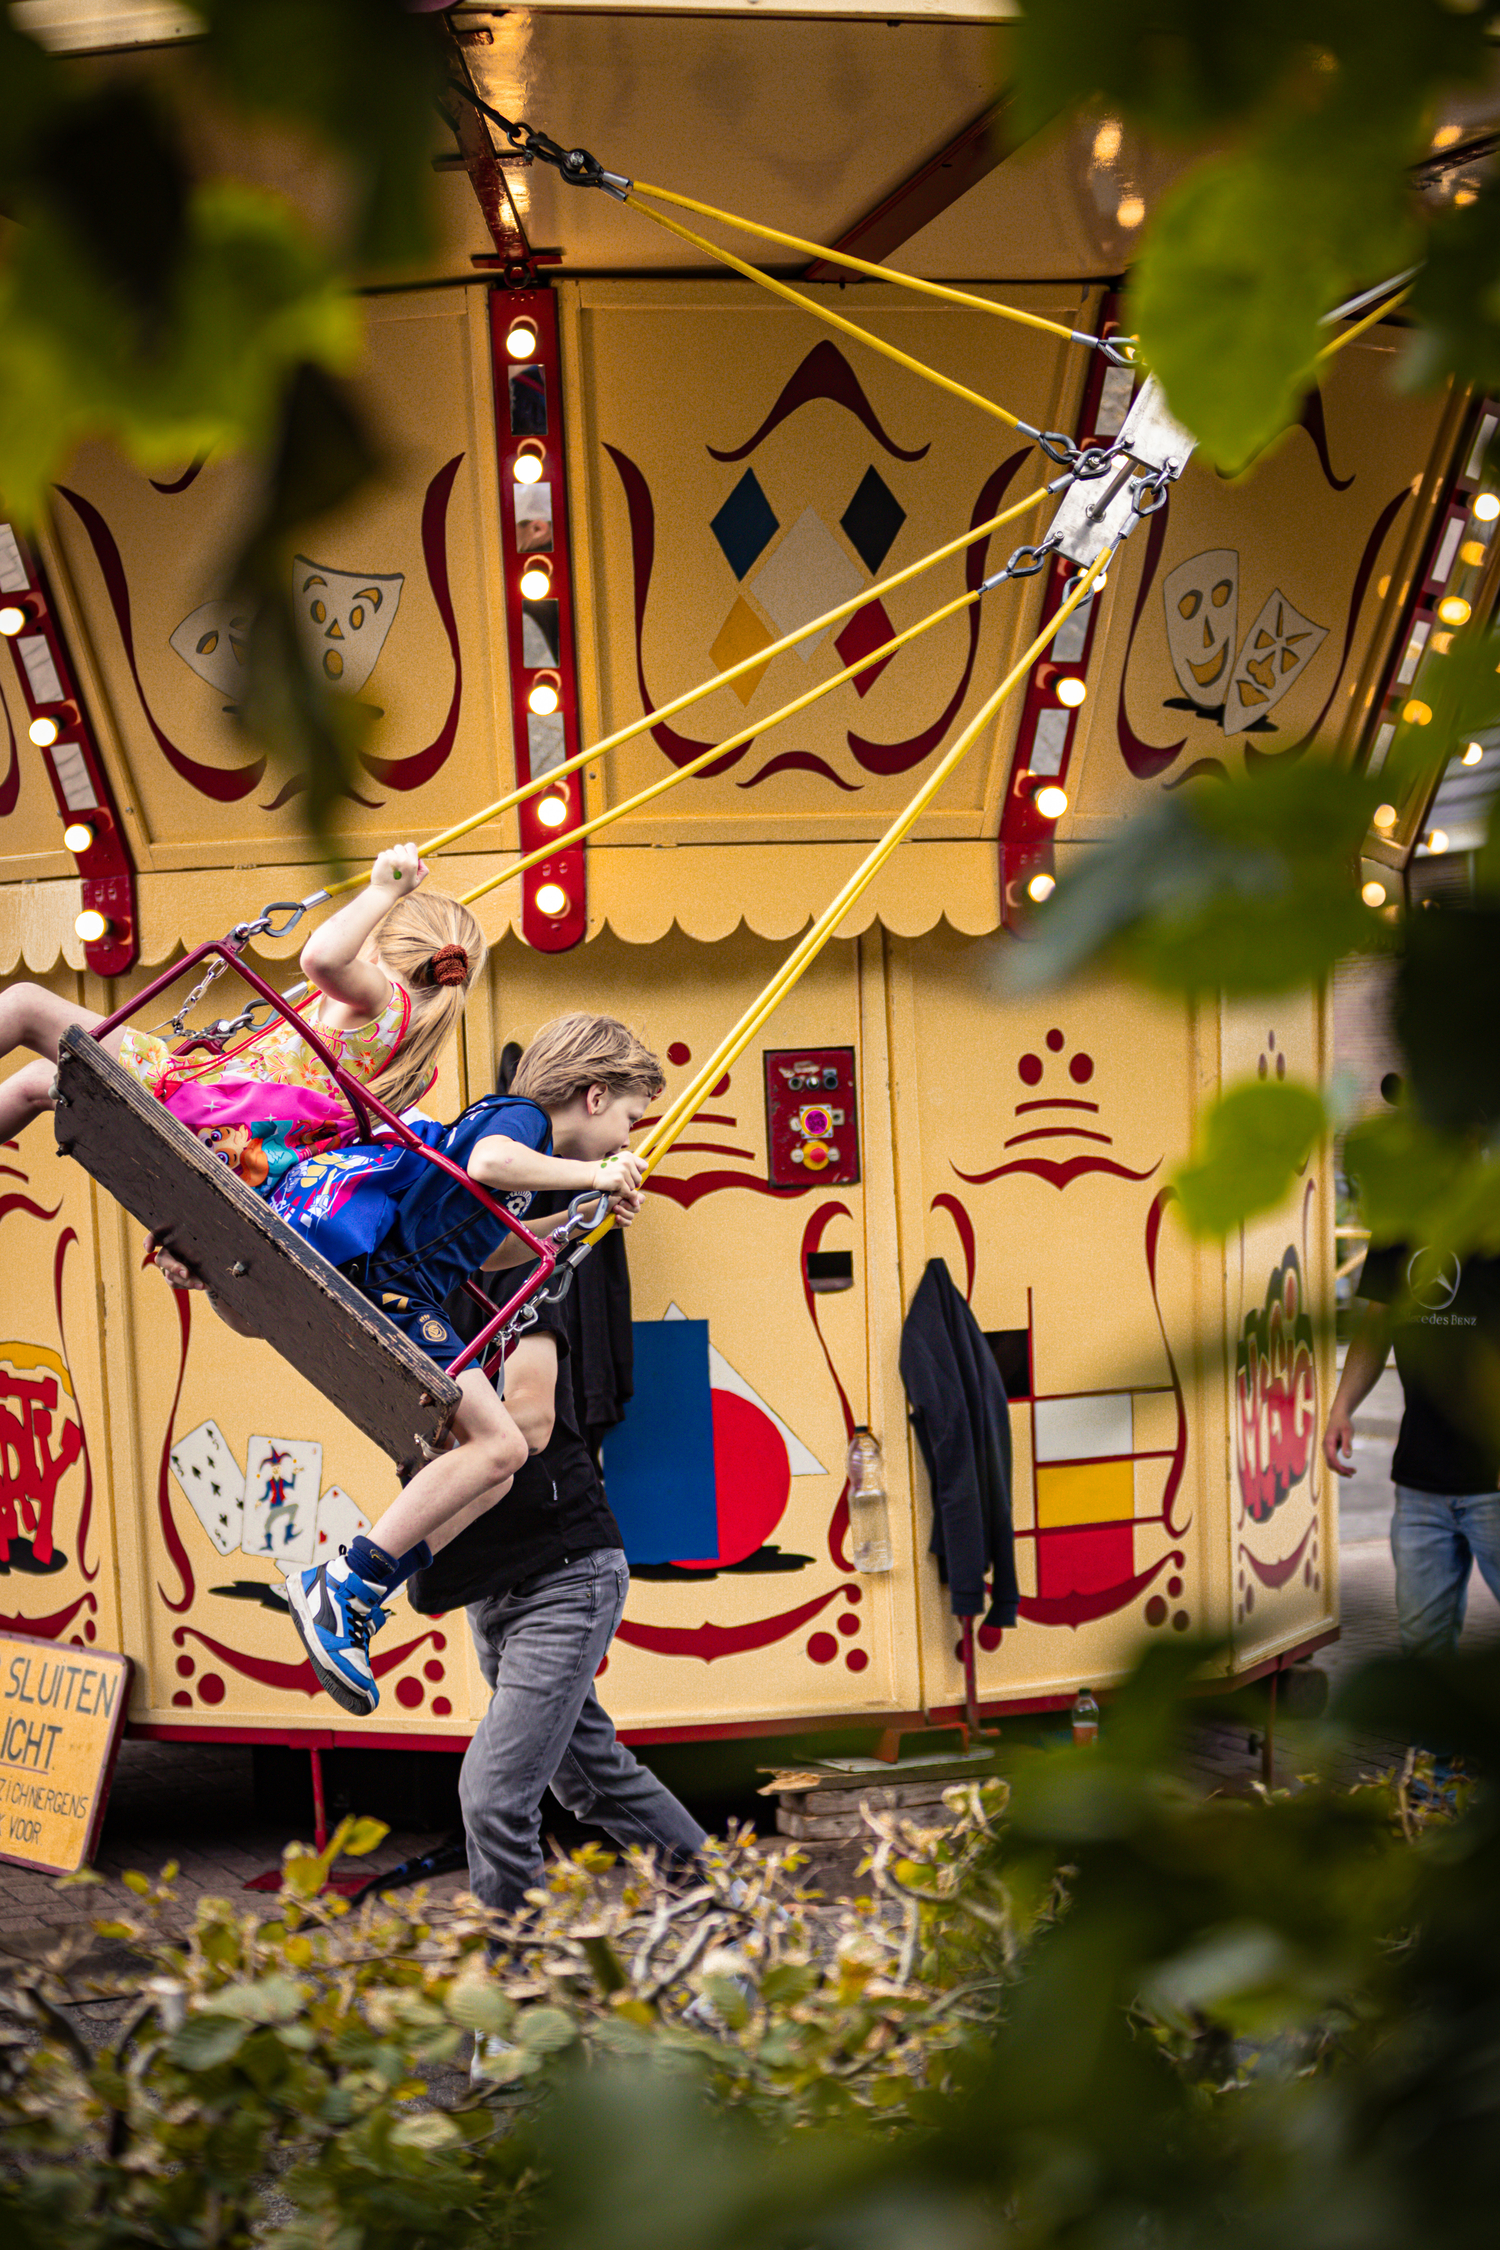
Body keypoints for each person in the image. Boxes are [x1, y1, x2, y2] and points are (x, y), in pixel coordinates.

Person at [154, 1013, 662, 1718]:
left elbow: (489, 1252)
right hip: (391, 1285)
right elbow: (489, 1165)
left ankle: (354, 1588)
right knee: (502, 1443)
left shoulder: (527, 1152)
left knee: (489, 1473)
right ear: (597, 1095)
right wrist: (596, 1172)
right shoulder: (517, 1119)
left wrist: (580, 1213)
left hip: (404, 1286)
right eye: (632, 1119)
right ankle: (343, 1586)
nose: (628, 1139)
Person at [403, 1271, 706, 1933]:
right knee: (590, 1778)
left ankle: (515, 1998)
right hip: (490, 1588)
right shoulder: (392, 1288)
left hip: (565, 1572)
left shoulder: (512, 1277)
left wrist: (394, 1546)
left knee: (492, 1796)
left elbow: (533, 1423)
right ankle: (738, 1916)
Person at [0, 845, 486, 1191]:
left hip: (198, 1108)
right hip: (239, 1143)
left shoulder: (385, 1000)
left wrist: (383, 891)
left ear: (380, 941)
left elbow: (321, 958)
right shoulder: (417, 1047)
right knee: (39, 1080)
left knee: (24, 1003)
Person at [1324, 1238, 1500, 1657]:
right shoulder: (1396, 1229)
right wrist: (1342, 1406)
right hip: (1421, 1485)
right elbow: (1377, 1324)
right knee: (1424, 1654)